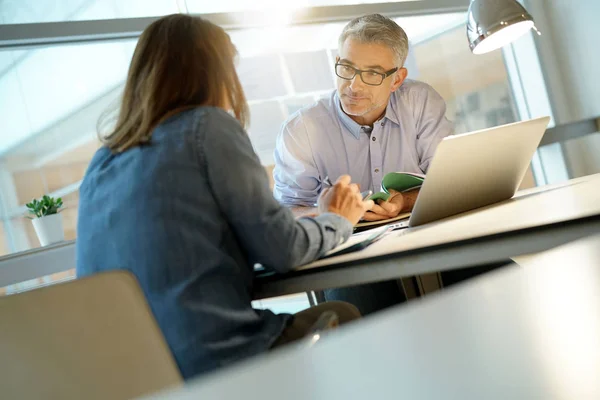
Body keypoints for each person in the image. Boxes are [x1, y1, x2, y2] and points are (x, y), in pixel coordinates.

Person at [76, 14, 373, 380]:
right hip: (213, 365)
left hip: (136, 376)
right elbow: (284, 249)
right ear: (214, 72)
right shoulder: (208, 128)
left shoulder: (103, 160)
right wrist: (338, 219)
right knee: (344, 317)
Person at [273, 14, 453, 315]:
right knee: (374, 314)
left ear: (397, 79)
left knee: (498, 278)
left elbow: (449, 180)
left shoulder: (420, 103)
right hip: (349, 255)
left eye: (371, 73)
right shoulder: (300, 130)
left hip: (425, 238)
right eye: (346, 68)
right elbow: (286, 213)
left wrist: (403, 202)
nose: (353, 85)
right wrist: (335, 213)